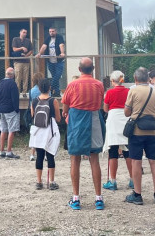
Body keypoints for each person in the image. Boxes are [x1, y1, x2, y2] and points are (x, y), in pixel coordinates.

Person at [62, 57, 106, 211]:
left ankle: (76, 198)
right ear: (92, 69)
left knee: (75, 159)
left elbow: (65, 107)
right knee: (94, 159)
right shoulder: (99, 85)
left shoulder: (73, 85)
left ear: (79, 69)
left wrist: (66, 112)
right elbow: (100, 103)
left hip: (77, 123)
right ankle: (98, 198)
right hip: (94, 120)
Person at [124, 68, 155, 206]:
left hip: (137, 132)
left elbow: (126, 112)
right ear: (148, 79)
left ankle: (137, 194)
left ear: (135, 78)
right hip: (153, 131)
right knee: (154, 161)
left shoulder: (133, 91)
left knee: (136, 161)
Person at [102, 70, 132, 191]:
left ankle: (113, 180)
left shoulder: (110, 92)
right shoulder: (129, 92)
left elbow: (105, 108)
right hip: (125, 118)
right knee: (128, 151)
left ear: (112, 81)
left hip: (114, 120)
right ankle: (133, 179)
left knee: (113, 150)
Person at [29, 79, 62, 190]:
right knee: (50, 155)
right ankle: (51, 182)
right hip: (50, 130)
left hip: (38, 131)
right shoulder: (53, 101)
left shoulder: (34, 101)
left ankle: (39, 182)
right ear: (49, 88)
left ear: (39, 89)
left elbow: (33, 116)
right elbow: (58, 118)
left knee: (39, 156)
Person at [0, 67, 21, 159]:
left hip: (1, 109)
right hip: (10, 109)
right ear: (12, 75)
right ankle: (9, 151)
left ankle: (1, 150)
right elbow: (15, 98)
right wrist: (16, 109)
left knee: (3, 130)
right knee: (11, 130)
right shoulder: (12, 84)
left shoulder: (0, 83)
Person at [37, 27, 66, 97]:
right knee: (54, 77)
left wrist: (62, 53)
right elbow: (44, 46)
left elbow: (61, 45)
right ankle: (57, 93)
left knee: (57, 76)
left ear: (55, 31)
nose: (51, 33)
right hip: (50, 61)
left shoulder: (59, 37)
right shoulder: (48, 38)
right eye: (50, 31)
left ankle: (49, 87)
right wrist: (39, 53)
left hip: (59, 61)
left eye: (53, 31)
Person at [28, 71, 45, 160]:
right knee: (45, 134)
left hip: (35, 113)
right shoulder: (44, 90)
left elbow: (31, 103)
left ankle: (32, 154)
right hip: (45, 113)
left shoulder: (32, 91)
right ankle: (45, 154)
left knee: (34, 134)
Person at [11, 28, 34, 95]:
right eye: (23, 32)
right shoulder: (15, 39)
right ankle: (17, 92)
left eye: (26, 33)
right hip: (18, 62)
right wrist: (21, 48)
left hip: (26, 62)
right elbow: (14, 49)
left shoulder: (28, 40)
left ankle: (24, 92)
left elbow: (31, 50)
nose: (25, 34)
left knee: (25, 78)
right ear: (20, 32)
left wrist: (26, 55)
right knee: (18, 77)